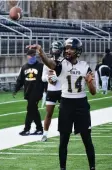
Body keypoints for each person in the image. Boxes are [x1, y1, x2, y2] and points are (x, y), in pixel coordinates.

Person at [27, 37, 96, 170]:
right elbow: (48, 63)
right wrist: (41, 53)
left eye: (71, 48)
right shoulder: (61, 64)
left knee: (87, 139)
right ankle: (62, 168)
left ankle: (92, 167)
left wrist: (89, 82)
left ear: (78, 51)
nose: (68, 51)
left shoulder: (84, 66)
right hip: (66, 104)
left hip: (81, 103)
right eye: (67, 48)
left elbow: (93, 92)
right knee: (63, 140)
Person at [13, 49, 44, 136]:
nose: (32, 57)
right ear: (27, 56)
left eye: (33, 55)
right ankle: (39, 129)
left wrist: (45, 91)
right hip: (28, 92)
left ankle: (27, 129)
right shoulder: (24, 67)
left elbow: (44, 80)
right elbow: (20, 80)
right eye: (30, 55)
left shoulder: (40, 66)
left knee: (30, 110)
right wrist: (16, 89)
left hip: (37, 92)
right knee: (33, 110)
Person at [41, 41, 63, 142]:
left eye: (57, 49)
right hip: (51, 91)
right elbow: (42, 78)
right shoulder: (47, 62)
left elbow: (67, 77)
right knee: (48, 113)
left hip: (62, 90)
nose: (55, 51)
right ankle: (45, 134)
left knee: (64, 113)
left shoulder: (64, 61)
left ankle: (63, 131)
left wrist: (57, 78)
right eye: (54, 48)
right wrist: (49, 78)